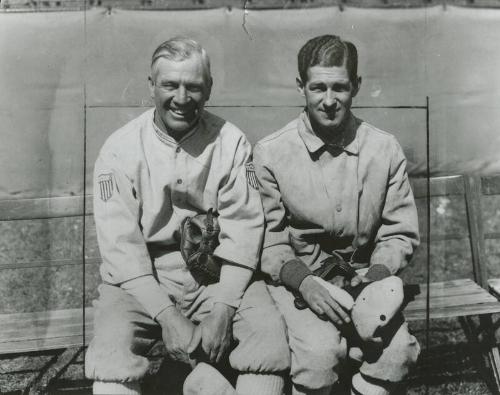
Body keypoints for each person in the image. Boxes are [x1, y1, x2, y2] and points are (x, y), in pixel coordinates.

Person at [85, 37, 290, 395]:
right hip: (143, 278)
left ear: (208, 89)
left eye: (193, 86)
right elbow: (122, 251)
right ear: (151, 87)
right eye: (170, 85)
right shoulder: (119, 148)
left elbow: (245, 231)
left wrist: (224, 308)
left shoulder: (232, 142)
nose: (181, 98)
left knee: (267, 340)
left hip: (216, 273)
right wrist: (166, 316)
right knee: (111, 353)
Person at [253, 34, 421, 395]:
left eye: (340, 88)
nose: (328, 101)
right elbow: (270, 240)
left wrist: (376, 277)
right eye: (318, 88)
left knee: (395, 355)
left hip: (367, 282)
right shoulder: (271, 153)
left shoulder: (384, 149)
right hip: (302, 283)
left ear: (356, 86)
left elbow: (399, 232)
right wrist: (304, 282)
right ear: (301, 87)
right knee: (319, 355)